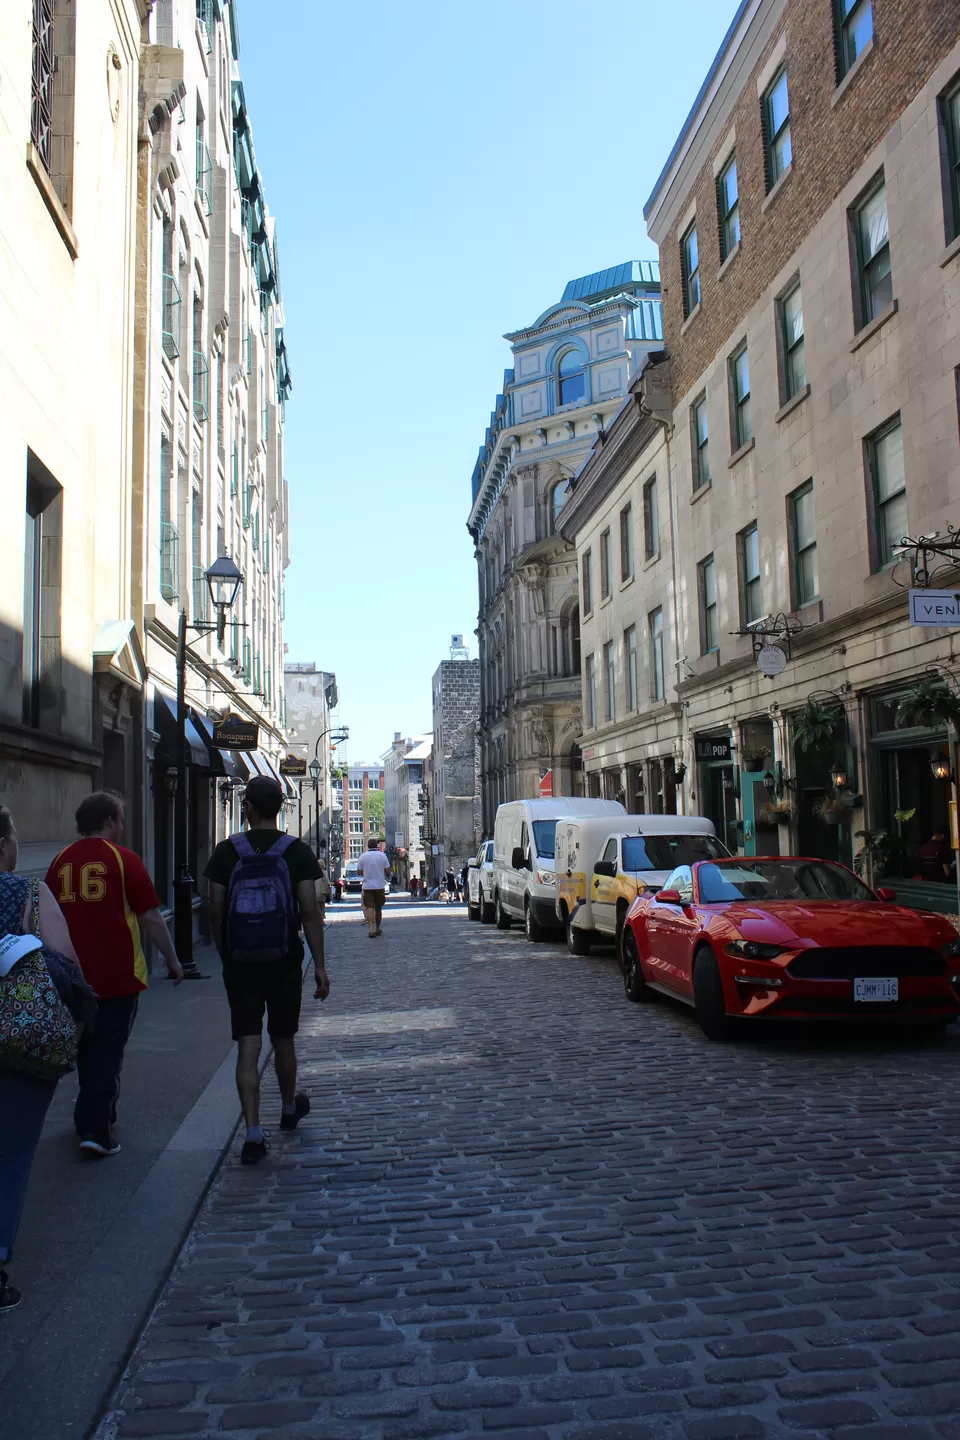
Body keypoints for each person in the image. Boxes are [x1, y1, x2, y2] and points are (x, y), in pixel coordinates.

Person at [46, 792, 183, 1158]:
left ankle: (90, 1113)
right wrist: (172, 959)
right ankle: (96, 1129)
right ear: (110, 820)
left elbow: (46, 918)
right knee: (108, 1049)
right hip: (118, 974)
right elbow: (150, 916)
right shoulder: (124, 860)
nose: (122, 824)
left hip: (72, 976)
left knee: (88, 1049)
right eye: (120, 818)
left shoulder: (59, 862)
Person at [205, 776, 330, 1165]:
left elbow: (214, 908)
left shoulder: (226, 852)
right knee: (283, 1037)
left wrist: (226, 951)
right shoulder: (297, 852)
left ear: (248, 808)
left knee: (248, 1044)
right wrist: (320, 964)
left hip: (240, 962)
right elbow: (309, 910)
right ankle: (289, 1107)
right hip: (283, 958)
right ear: (280, 808)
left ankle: (253, 1134)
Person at [1, 805, 82, 1311]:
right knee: (11, 1151)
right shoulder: (27, 893)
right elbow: (66, 964)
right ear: (3, 846)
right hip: (18, 1040)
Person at [355, 838, 392, 938]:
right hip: (379, 885)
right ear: (377, 846)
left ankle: (370, 929)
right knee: (378, 908)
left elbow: (358, 872)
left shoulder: (363, 856)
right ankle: (377, 928)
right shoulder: (382, 855)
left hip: (367, 886)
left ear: (368, 846)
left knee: (369, 908)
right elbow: (388, 871)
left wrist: (366, 872)